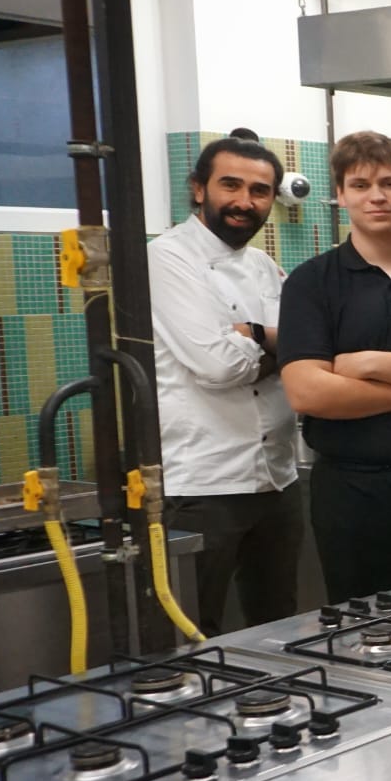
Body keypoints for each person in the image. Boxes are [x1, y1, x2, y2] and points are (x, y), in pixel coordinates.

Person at [278, 131, 391, 602]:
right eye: (360, 185)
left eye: (390, 183)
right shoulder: (311, 284)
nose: (377, 196)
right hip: (352, 493)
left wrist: (370, 364)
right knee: (366, 634)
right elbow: (308, 394)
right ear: (339, 195)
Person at [149, 128, 302, 635]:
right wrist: (281, 347)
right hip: (205, 482)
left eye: (259, 191)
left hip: (277, 475)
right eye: (230, 185)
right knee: (195, 633)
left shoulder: (263, 266)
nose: (244, 202)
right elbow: (219, 366)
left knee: (277, 628)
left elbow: (307, 342)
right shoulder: (167, 257)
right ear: (199, 189)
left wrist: (258, 337)